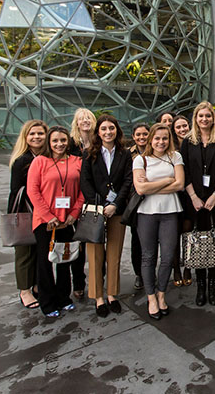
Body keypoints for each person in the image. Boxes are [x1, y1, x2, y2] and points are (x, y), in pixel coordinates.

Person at [27, 126, 85, 318]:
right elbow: (33, 191)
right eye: (55, 141)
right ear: (49, 143)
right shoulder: (40, 162)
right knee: (45, 262)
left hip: (67, 220)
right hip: (45, 222)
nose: (59, 144)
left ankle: (64, 298)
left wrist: (74, 213)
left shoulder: (77, 161)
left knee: (64, 260)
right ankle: (47, 302)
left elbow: (83, 190)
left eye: (63, 140)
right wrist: (47, 216)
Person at [180, 101, 215, 307]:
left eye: (208, 116)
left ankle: (213, 284)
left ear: (213, 118)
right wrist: (193, 196)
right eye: (201, 116)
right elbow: (182, 170)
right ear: (196, 118)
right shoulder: (187, 142)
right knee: (197, 241)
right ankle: (200, 285)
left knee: (214, 241)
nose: (204, 119)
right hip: (193, 200)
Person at [80, 115, 133, 317]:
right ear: (98, 132)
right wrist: (101, 206)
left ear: (117, 131)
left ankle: (112, 294)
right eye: (104, 129)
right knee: (95, 255)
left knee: (114, 254)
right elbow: (85, 182)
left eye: (111, 128)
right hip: (95, 211)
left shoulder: (124, 154)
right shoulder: (88, 154)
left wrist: (115, 204)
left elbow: (127, 182)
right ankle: (98, 297)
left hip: (117, 211)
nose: (108, 132)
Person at [133, 123, 186, 319]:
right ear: (150, 140)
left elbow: (180, 184)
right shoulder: (140, 160)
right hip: (146, 213)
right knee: (148, 257)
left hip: (170, 211)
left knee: (167, 256)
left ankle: (162, 294)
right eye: (157, 138)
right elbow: (141, 190)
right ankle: (151, 298)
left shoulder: (175, 157)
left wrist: (151, 185)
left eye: (164, 138)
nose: (161, 142)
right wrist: (166, 181)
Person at [8, 120, 48, 310]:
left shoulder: (48, 157)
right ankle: (24, 290)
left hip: (44, 212)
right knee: (24, 252)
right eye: (32, 134)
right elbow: (17, 191)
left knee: (41, 251)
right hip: (25, 211)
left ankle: (36, 284)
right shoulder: (22, 161)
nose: (37, 137)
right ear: (25, 137)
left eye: (40, 133)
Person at [68, 108, 95, 301]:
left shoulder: (98, 143)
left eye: (88, 118)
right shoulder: (70, 145)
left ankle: (97, 280)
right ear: (76, 123)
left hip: (93, 200)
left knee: (95, 242)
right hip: (74, 200)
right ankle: (78, 282)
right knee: (76, 245)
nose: (85, 121)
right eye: (81, 119)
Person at [170, 114, 193, 286]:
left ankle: (188, 267)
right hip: (173, 194)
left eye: (184, 126)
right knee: (173, 235)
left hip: (189, 196)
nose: (182, 129)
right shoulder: (169, 148)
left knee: (188, 234)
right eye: (178, 127)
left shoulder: (194, 144)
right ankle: (176, 268)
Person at [129, 123, 150, 290]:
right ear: (134, 137)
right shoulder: (126, 154)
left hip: (153, 199)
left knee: (152, 241)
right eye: (138, 135)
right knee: (137, 240)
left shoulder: (157, 151)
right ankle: (139, 274)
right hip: (135, 202)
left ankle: (150, 273)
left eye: (145, 134)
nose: (142, 138)